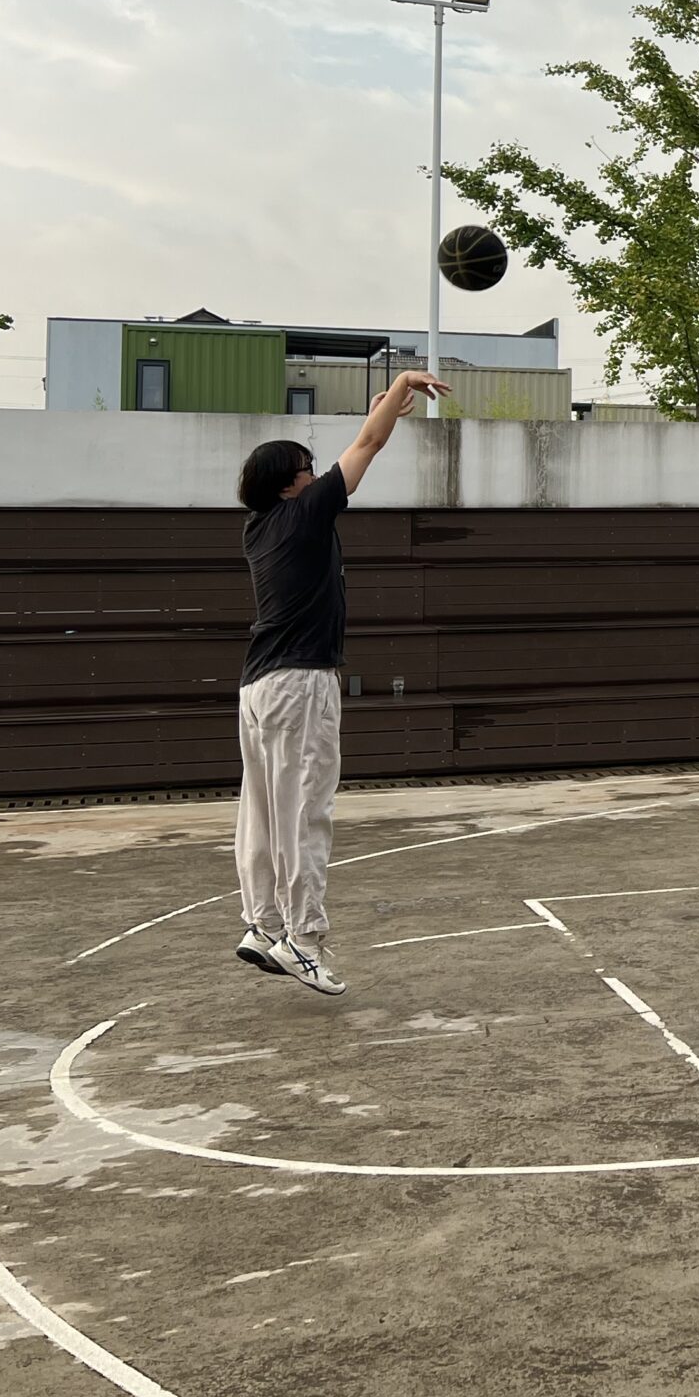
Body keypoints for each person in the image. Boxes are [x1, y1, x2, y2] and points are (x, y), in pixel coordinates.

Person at [230, 369, 449, 995]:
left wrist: (381, 413)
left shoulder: (259, 528)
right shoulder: (303, 514)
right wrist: (402, 381)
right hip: (300, 683)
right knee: (305, 813)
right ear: (291, 483)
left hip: (258, 687)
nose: (318, 471)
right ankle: (302, 942)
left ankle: (262, 925)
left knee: (264, 814)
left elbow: (361, 443)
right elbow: (367, 450)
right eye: (309, 466)